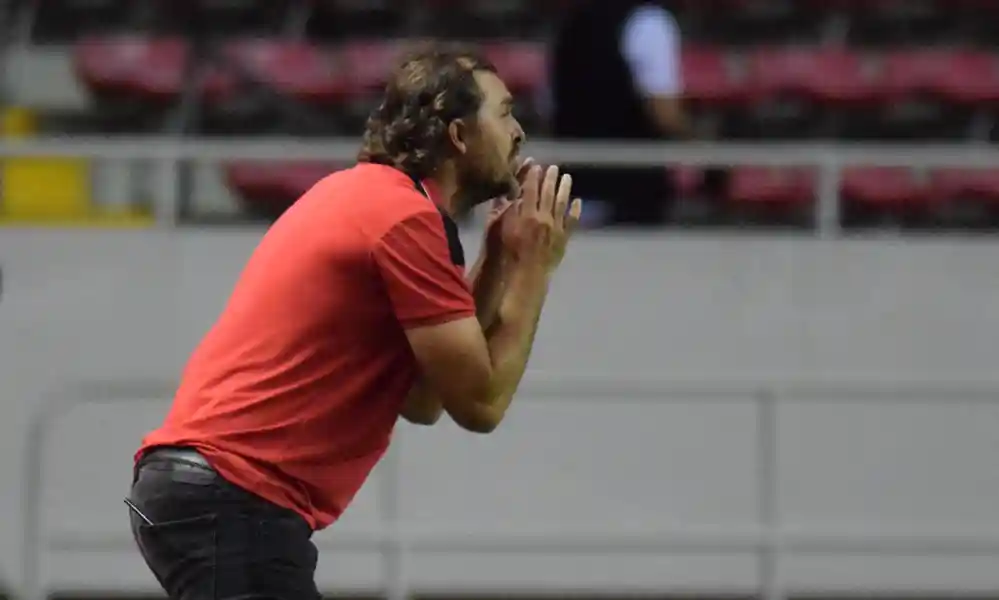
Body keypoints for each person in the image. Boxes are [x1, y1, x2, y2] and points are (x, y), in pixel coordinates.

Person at [125, 43, 583, 600]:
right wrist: (536, 265)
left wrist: (499, 260)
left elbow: (424, 400)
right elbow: (480, 404)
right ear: (459, 136)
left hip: (209, 494)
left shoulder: (378, 201)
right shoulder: (405, 222)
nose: (520, 132)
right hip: (233, 495)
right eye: (506, 112)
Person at [549, 0, 691, 227]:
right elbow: (665, 113)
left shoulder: (570, 23)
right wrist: (699, 140)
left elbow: (550, 106)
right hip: (631, 194)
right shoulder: (649, 21)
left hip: (575, 192)